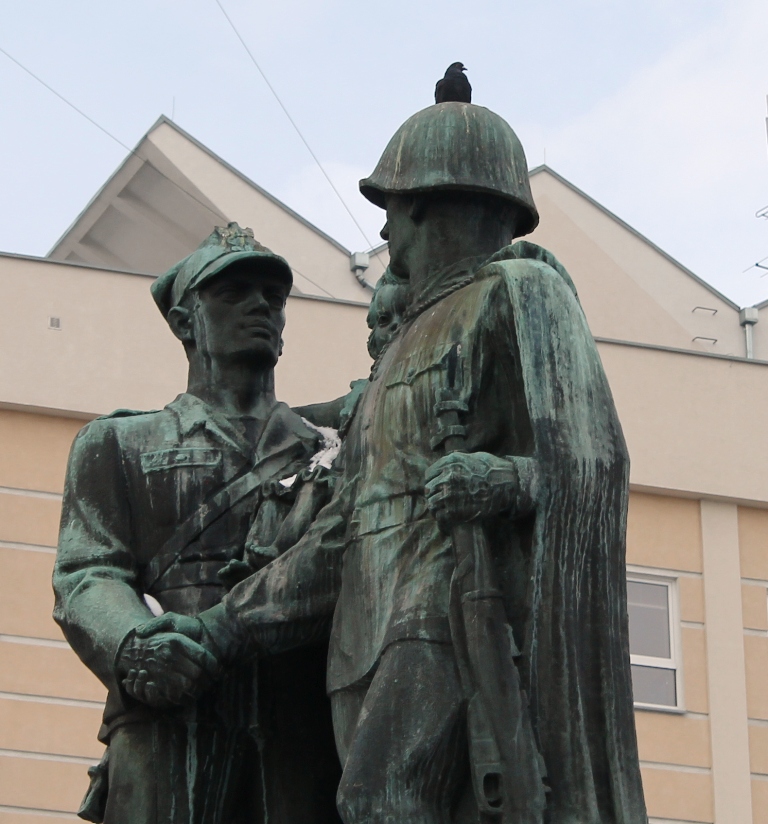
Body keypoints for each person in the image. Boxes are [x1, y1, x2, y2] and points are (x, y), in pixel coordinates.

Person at [143, 101, 647, 823]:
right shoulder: (397, 352)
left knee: (381, 799)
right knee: (372, 803)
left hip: (452, 613)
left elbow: (595, 465)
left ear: (439, 206)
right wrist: (222, 627)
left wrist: (505, 479)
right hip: (364, 637)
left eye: (396, 208)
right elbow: (340, 532)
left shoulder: (519, 293)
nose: (384, 230)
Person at [53, 223, 341, 824]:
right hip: (168, 712)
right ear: (186, 322)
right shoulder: (119, 443)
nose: (262, 304)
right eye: (234, 291)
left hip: (300, 719)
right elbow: (88, 573)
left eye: (273, 294)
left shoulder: (328, 449)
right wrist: (136, 647)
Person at [294, 267, 408, 433]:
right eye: (384, 320)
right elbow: (309, 416)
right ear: (373, 338)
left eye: (406, 314)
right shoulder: (362, 396)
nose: (396, 325)